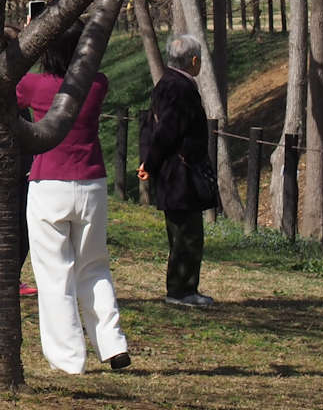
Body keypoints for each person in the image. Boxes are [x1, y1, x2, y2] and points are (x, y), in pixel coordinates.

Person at [17, 25, 130, 373]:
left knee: (55, 274)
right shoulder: (97, 84)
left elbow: (11, 86)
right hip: (91, 183)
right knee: (94, 266)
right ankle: (112, 344)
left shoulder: (34, 85)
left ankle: (68, 358)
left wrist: (27, 39)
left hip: (49, 183)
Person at [140, 33, 217, 308]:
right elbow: (167, 130)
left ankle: (183, 288)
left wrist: (148, 160)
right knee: (188, 234)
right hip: (180, 174)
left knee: (182, 232)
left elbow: (150, 126)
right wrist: (150, 162)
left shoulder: (165, 83)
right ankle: (181, 290)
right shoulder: (180, 89)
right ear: (194, 61)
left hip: (172, 171)